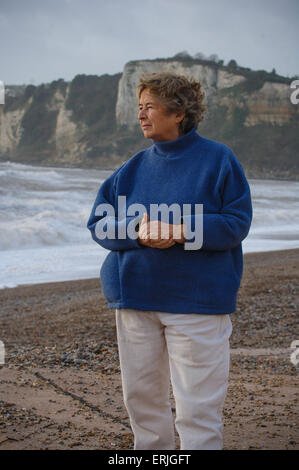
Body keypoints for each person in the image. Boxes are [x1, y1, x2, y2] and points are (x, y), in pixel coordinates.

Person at [87, 72, 252, 450]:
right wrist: (138, 230)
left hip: (197, 304)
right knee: (142, 406)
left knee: (198, 410)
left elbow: (236, 223)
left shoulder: (219, 159)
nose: (141, 116)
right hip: (134, 300)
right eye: (139, 108)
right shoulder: (131, 168)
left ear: (179, 112)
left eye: (149, 107)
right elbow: (98, 223)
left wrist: (178, 229)